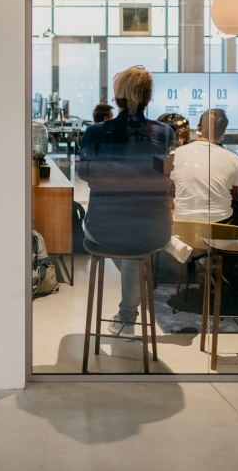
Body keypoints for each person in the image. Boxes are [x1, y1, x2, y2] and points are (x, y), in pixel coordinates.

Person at [77, 66, 175, 339]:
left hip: (103, 229)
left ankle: (128, 316)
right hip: (155, 229)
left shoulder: (94, 132)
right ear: (148, 96)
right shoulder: (164, 132)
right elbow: (164, 172)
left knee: (122, 235)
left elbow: (84, 174)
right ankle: (128, 316)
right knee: (135, 242)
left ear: (117, 95)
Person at [171, 109, 238, 230]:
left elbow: (171, 188)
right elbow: (234, 194)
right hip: (221, 226)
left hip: (182, 224)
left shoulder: (177, 154)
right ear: (223, 132)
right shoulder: (234, 159)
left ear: (198, 126)